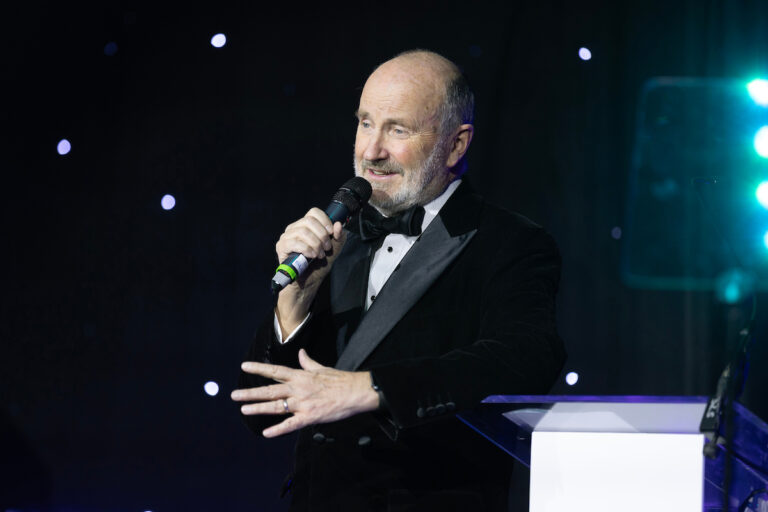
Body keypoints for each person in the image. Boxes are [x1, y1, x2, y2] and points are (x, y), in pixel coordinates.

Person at [231, 49, 565, 511]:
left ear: (456, 145)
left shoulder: (510, 243)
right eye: (366, 123)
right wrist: (293, 306)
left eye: (398, 129)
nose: (371, 151)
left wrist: (372, 387)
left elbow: (526, 356)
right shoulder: (334, 236)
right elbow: (261, 412)